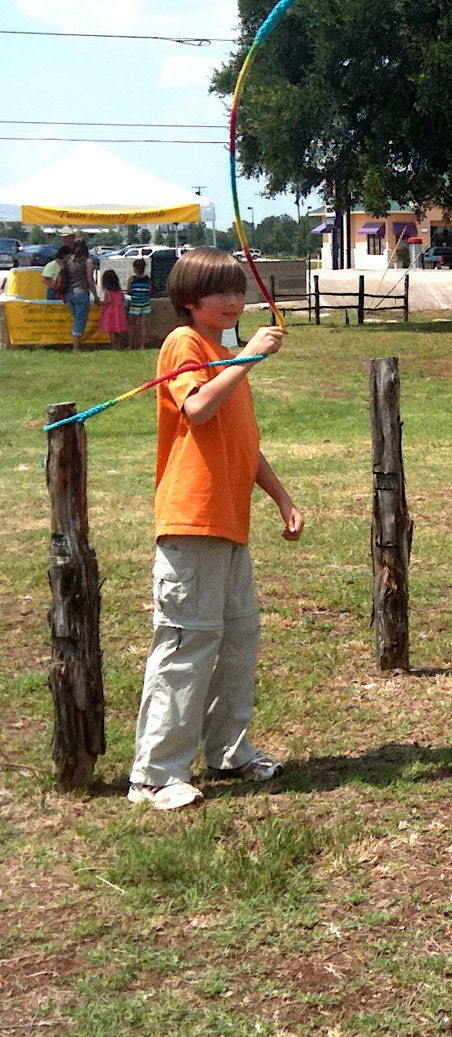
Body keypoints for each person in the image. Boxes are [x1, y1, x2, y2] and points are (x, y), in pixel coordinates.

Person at [127, 248, 304, 812]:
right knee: (187, 640)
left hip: (229, 522)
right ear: (188, 301)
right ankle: (155, 774)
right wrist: (248, 355)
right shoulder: (185, 345)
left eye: (237, 290)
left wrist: (280, 497)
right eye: (219, 292)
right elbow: (198, 410)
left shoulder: (225, 357)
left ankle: (228, 751)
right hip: (191, 517)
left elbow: (242, 444)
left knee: (236, 639)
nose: (234, 300)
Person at [63, 241, 97, 352]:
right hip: (81, 293)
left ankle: (76, 345)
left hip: (68, 294)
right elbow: (90, 280)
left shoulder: (67, 260)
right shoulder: (87, 262)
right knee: (79, 321)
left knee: (76, 319)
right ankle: (76, 348)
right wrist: (96, 296)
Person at [126, 257, 154, 349]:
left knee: (132, 325)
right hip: (145, 303)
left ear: (135, 268)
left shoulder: (132, 279)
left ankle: (130, 344)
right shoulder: (147, 279)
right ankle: (142, 345)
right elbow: (150, 291)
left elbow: (128, 291)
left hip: (135, 304)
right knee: (143, 325)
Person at [97, 268, 128, 349]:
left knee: (111, 331)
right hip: (119, 311)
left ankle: (114, 346)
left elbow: (108, 300)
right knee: (119, 329)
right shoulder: (119, 290)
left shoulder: (108, 290)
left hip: (110, 311)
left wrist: (100, 303)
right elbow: (122, 299)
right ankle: (120, 345)